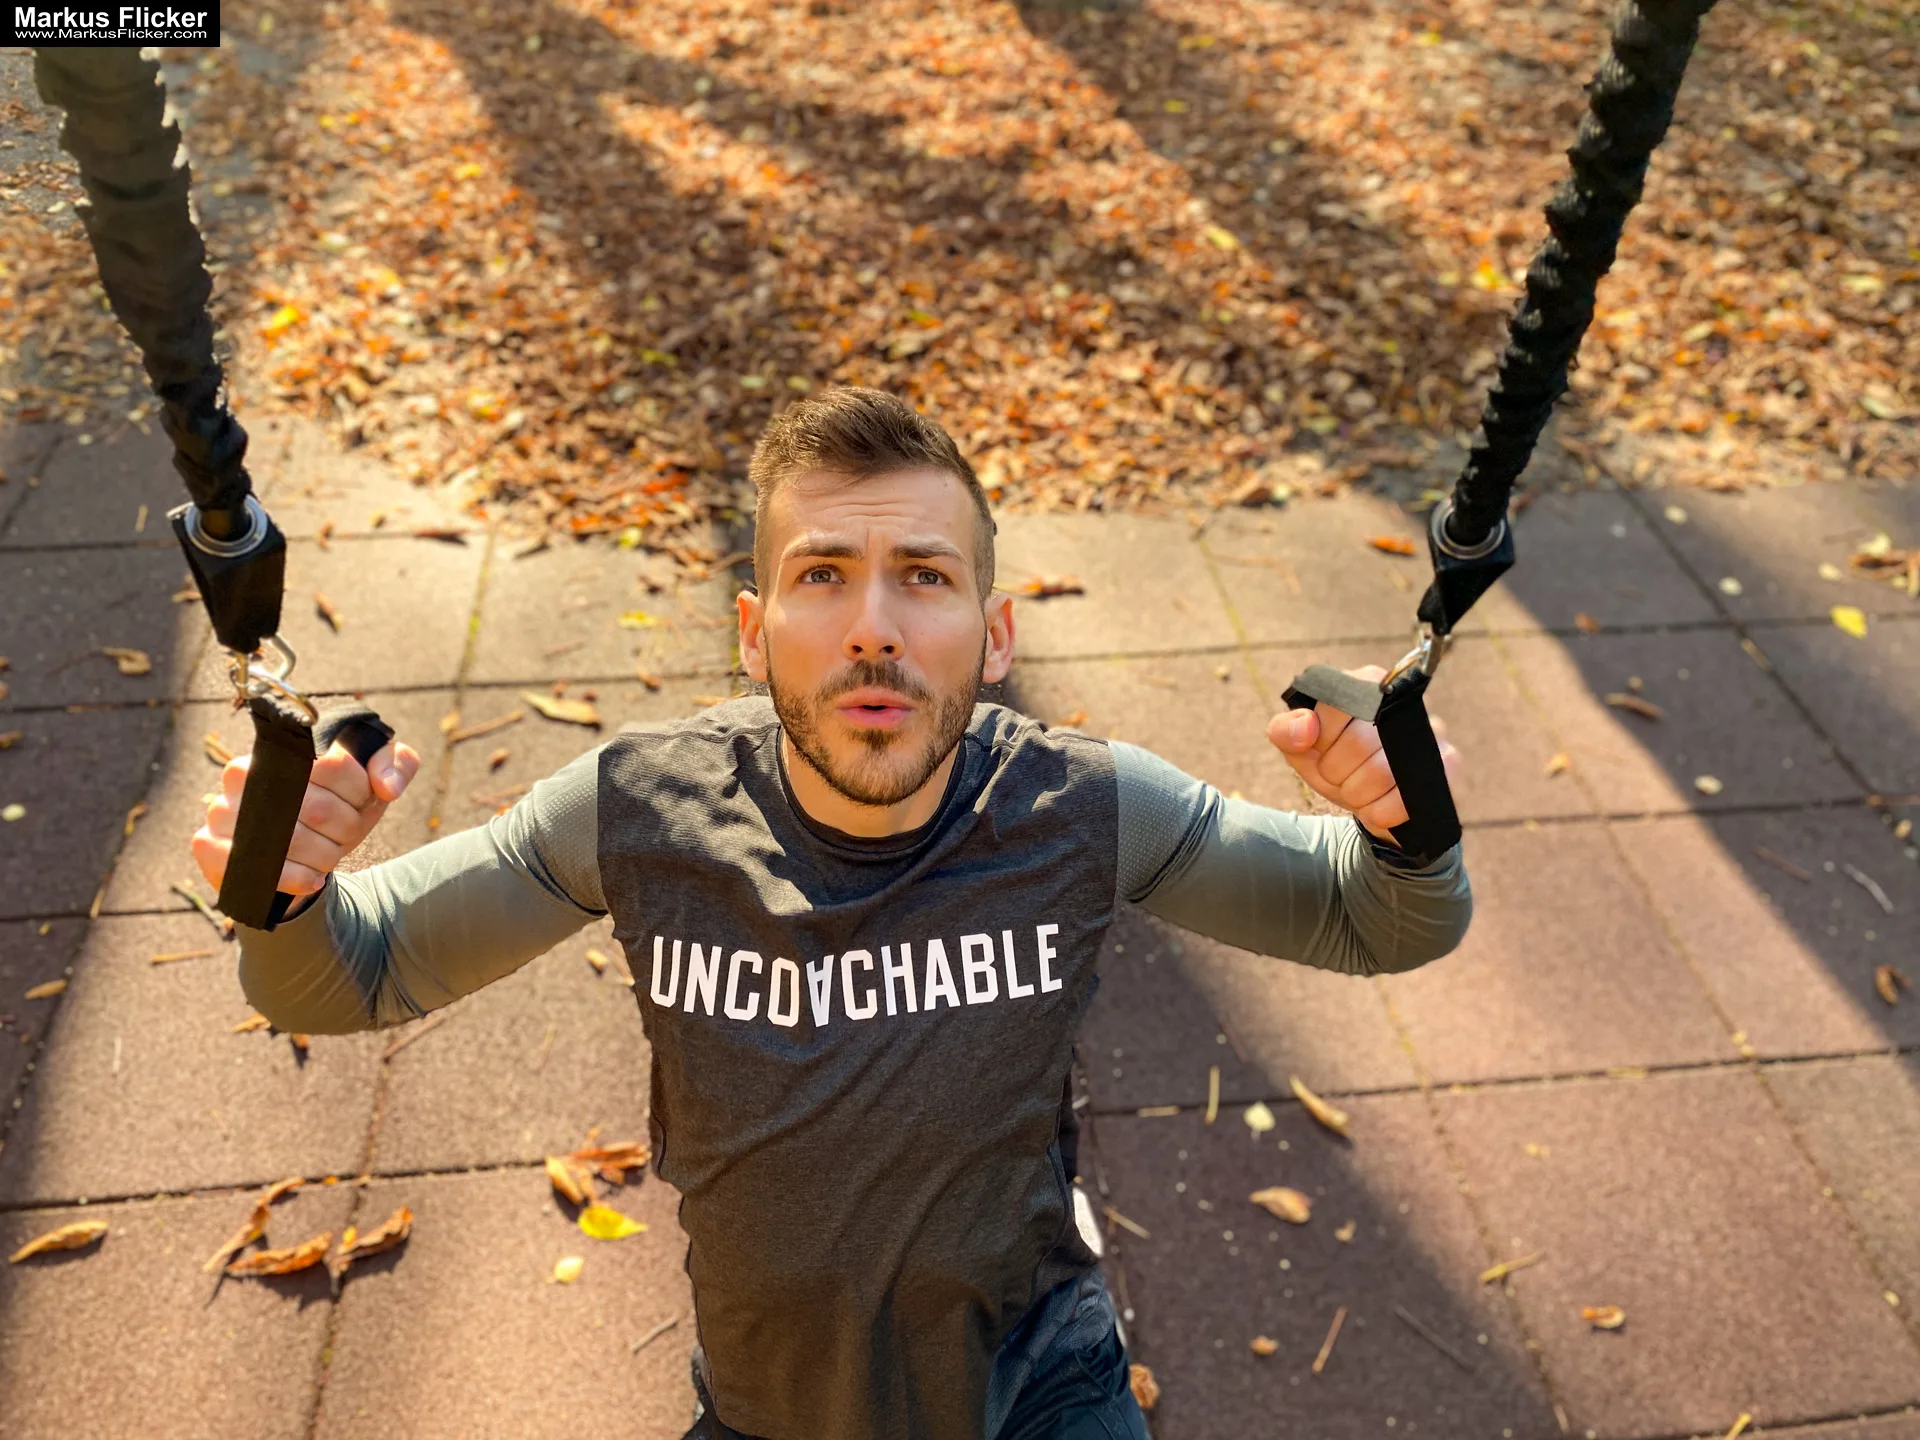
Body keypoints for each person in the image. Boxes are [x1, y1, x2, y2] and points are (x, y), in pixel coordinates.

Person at [196, 386, 1472, 1440]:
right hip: (764, 1412)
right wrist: (285, 891)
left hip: (1042, 1389)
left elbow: (1381, 918)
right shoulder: (636, 809)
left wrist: (1402, 821)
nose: (874, 628)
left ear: (995, 632)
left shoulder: (1084, 808)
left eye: (924, 576)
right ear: (754, 634)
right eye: (823, 575)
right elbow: (336, 980)